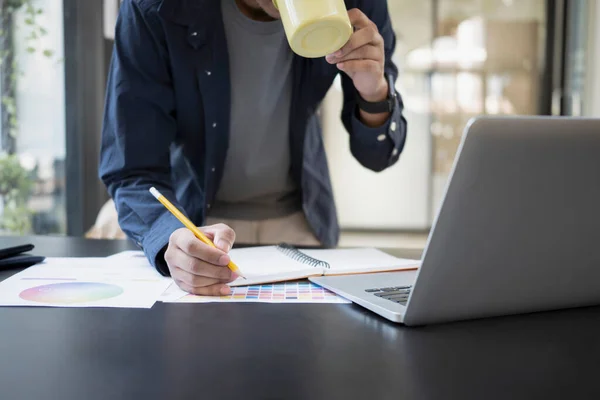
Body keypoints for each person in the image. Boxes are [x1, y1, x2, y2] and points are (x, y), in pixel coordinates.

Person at [99, 0, 408, 296]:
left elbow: (378, 155)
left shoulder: (356, 4)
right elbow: (131, 168)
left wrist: (374, 91)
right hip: (196, 224)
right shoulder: (155, 7)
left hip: (301, 223)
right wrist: (170, 237)